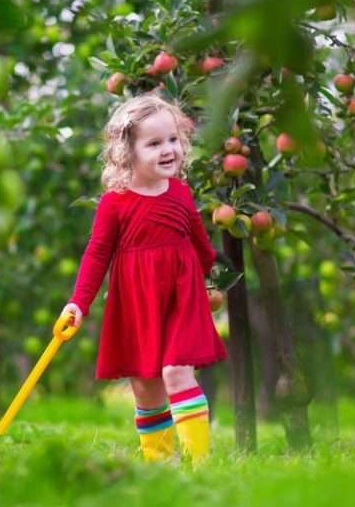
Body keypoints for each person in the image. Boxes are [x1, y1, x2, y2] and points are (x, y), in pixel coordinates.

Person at [61, 95, 227, 464]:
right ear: (127, 152)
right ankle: (160, 462)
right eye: (154, 143)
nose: (168, 150)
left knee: (177, 370)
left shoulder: (181, 193)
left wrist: (212, 280)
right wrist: (79, 302)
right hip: (137, 301)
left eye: (172, 140)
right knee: (146, 386)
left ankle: (199, 464)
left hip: (182, 298)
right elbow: (96, 255)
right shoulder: (115, 203)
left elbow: (201, 245)